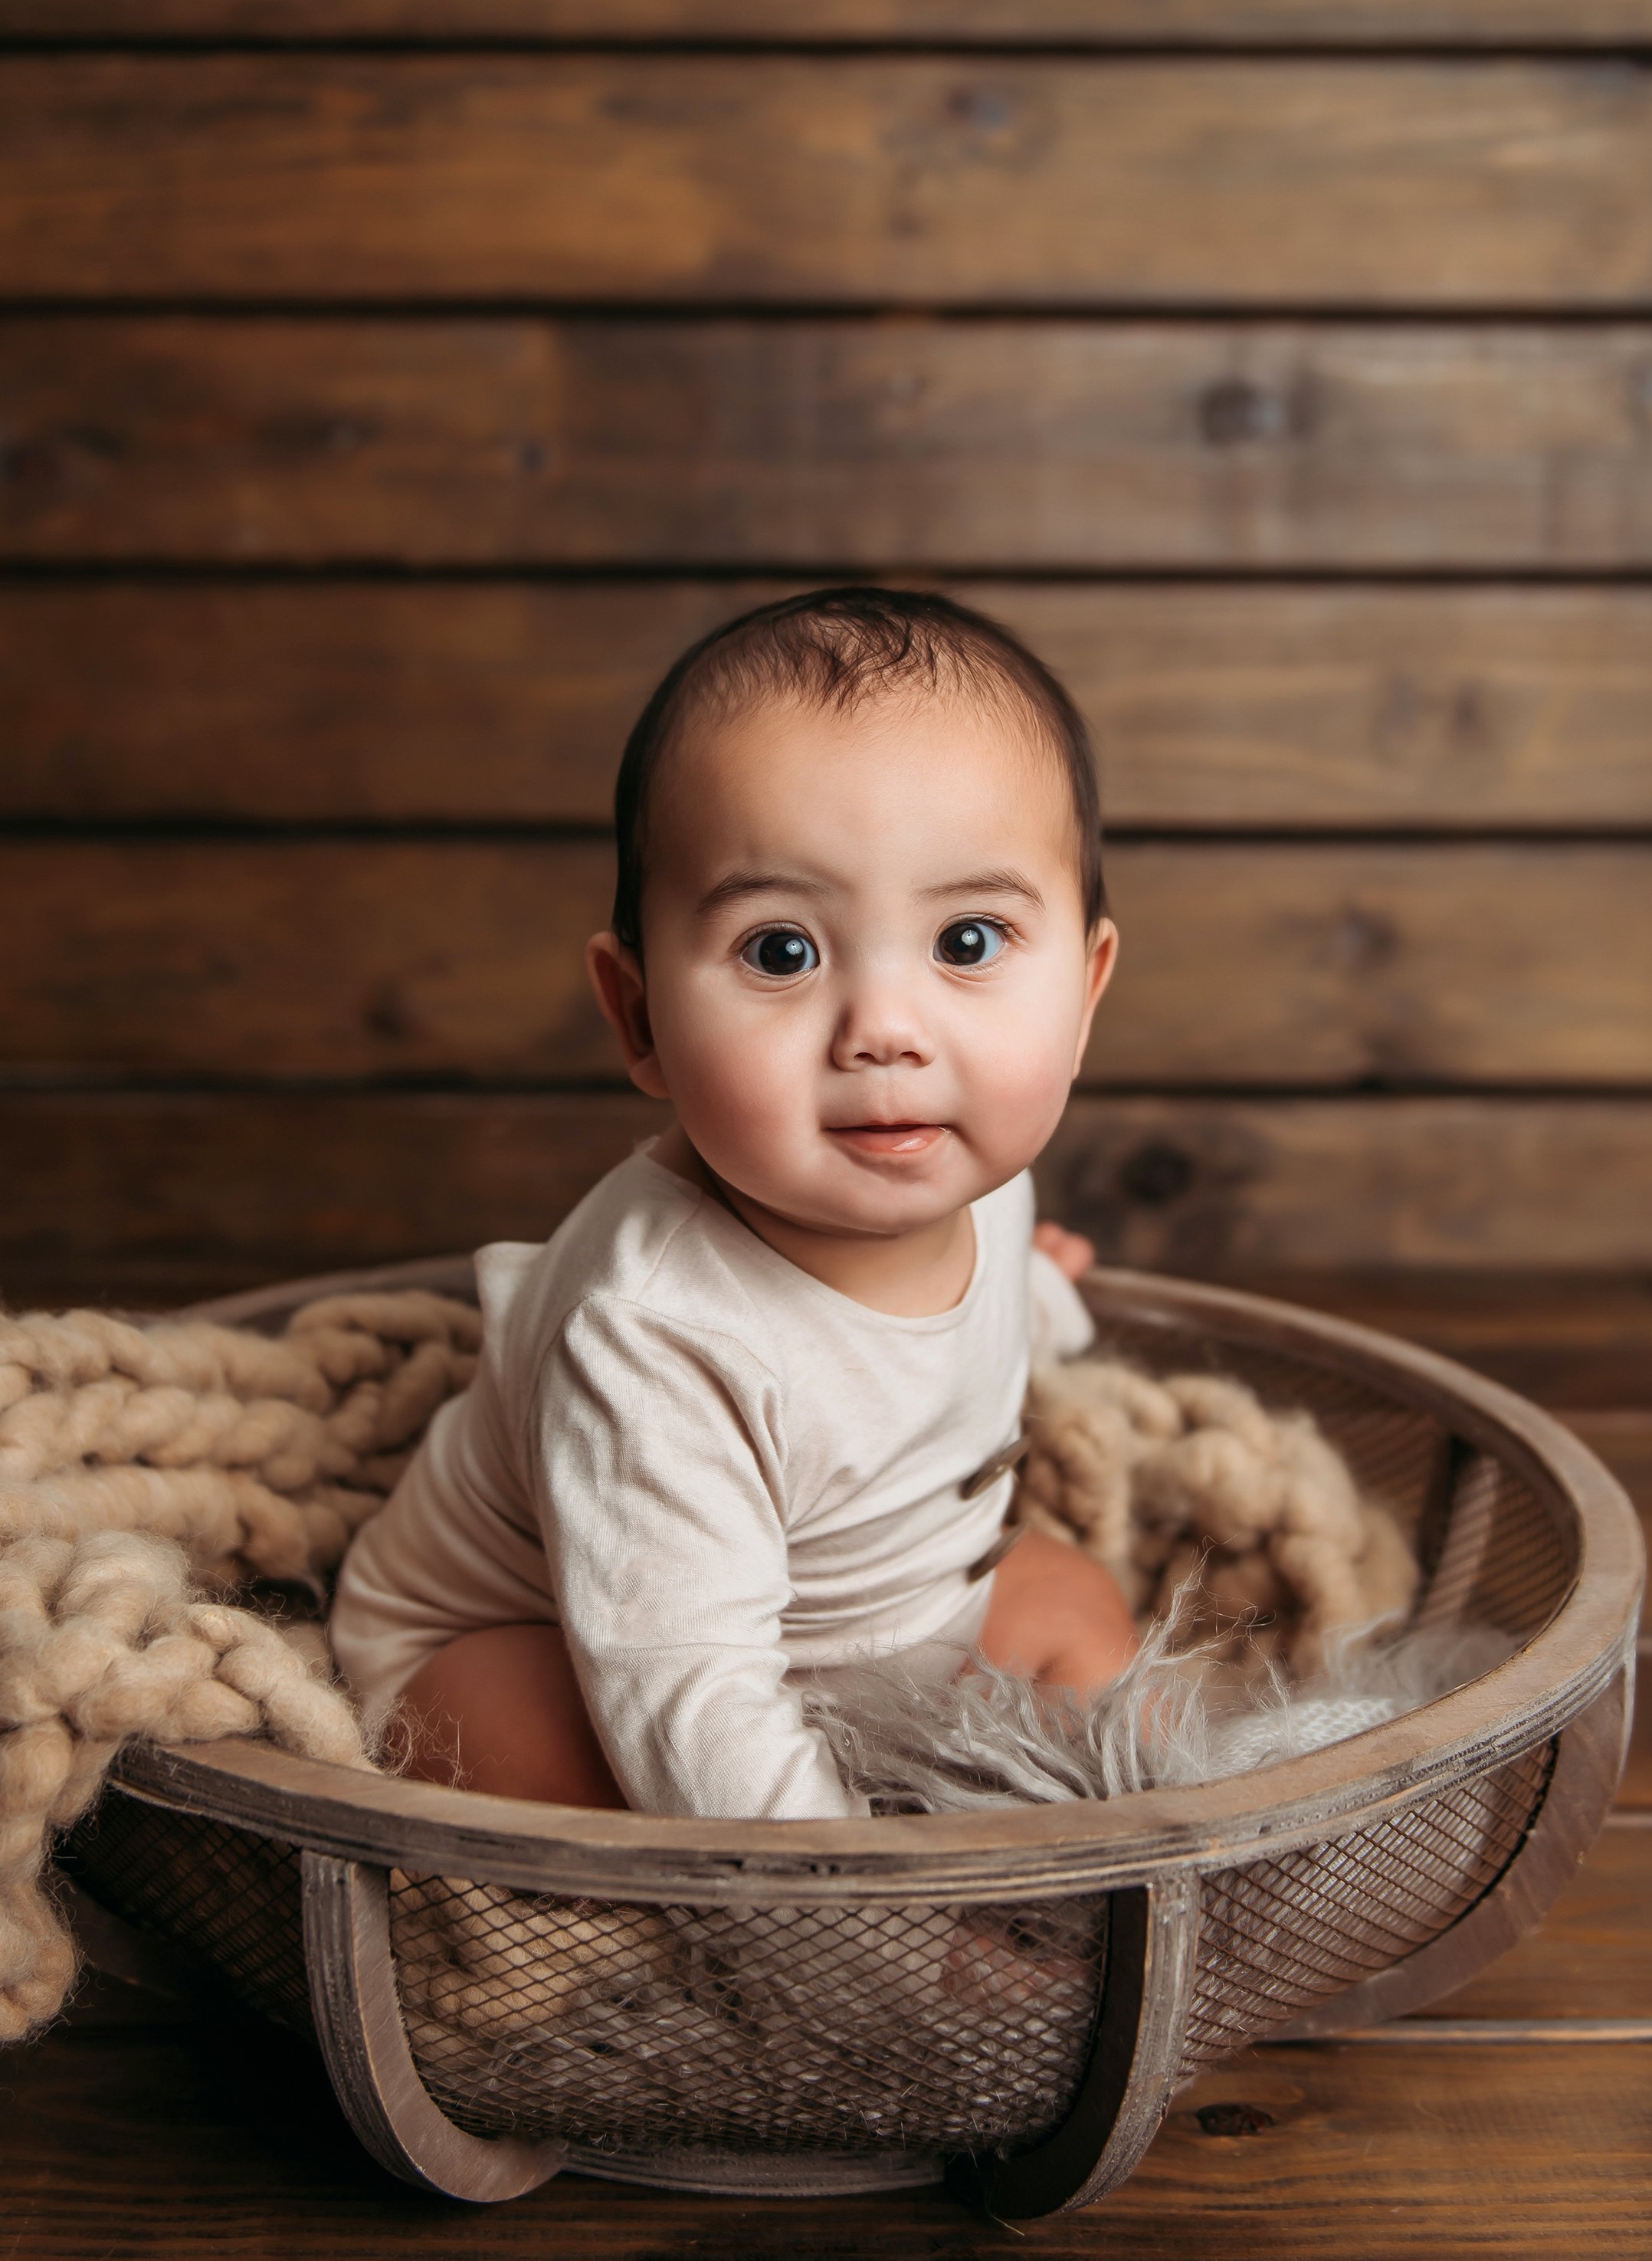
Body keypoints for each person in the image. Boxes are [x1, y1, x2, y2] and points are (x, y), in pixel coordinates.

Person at [329, 587, 1139, 1814]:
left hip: (884, 1620)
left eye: (968, 943)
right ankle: (814, 1924)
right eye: (783, 951)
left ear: (1082, 995)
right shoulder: (653, 1330)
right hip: (585, 1647)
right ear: (639, 1015)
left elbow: (941, 1340)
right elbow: (685, 1697)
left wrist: (1042, 1301)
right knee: (520, 1741)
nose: (887, 1034)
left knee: (1077, 1604)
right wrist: (869, 1950)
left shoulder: (980, 1178)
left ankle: (1113, 1856)